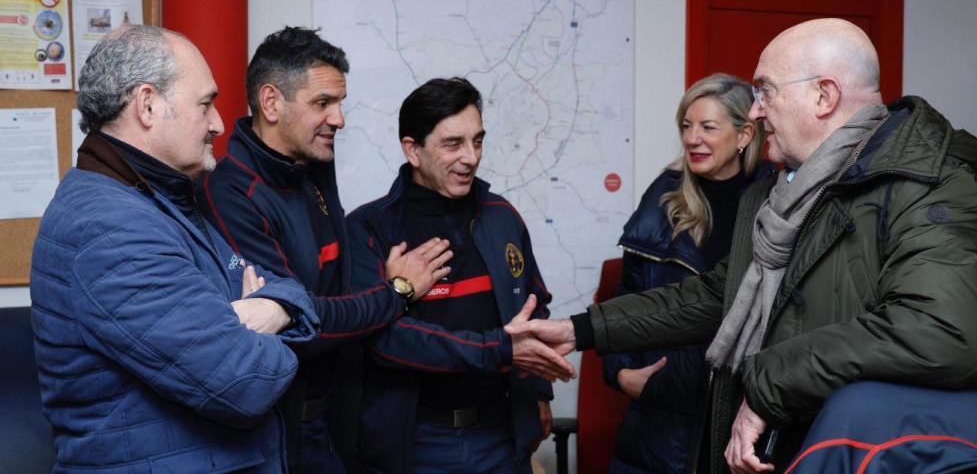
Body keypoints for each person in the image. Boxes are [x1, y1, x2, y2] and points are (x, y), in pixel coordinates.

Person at [507, 18, 977, 473]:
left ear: (824, 95)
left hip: (896, 453)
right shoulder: (788, 195)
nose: (753, 113)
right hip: (799, 446)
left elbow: (943, 332)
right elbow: (716, 295)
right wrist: (580, 330)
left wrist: (768, 382)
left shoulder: (932, 186)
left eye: (766, 91)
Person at [31, 24, 320, 473]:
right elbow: (248, 382)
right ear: (148, 105)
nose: (219, 123)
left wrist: (267, 309)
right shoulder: (109, 227)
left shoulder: (163, 200)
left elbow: (292, 291)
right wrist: (251, 319)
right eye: (205, 104)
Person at [199, 26, 452, 473]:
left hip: (337, 417)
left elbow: (333, 292)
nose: (339, 119)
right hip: (280, 436)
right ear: (272, 102)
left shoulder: (311, 162)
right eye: (322, 104)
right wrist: (396, 292)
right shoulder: (231, 192)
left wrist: (375, 290)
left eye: (339, 104)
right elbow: (299, 325)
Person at [346, 77, 574, 474]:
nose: (471, 157)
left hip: (501, 436)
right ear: (412, 150)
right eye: (453, 144)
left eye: (478, 140)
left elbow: (533, 307)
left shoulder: (502, 216)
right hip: (415, 442)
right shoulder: (370, 229)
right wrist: (499, 349)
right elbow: (384, 339)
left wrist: (538, 393)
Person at [604, 73, 767, 473]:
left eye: (708, 127)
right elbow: (627, 297)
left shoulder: (775, 198)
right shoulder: (665, 197)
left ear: (744, 134)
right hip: (663, 424)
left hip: (746, 416)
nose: (693, 138)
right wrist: (622, 373)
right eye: (687, 126)